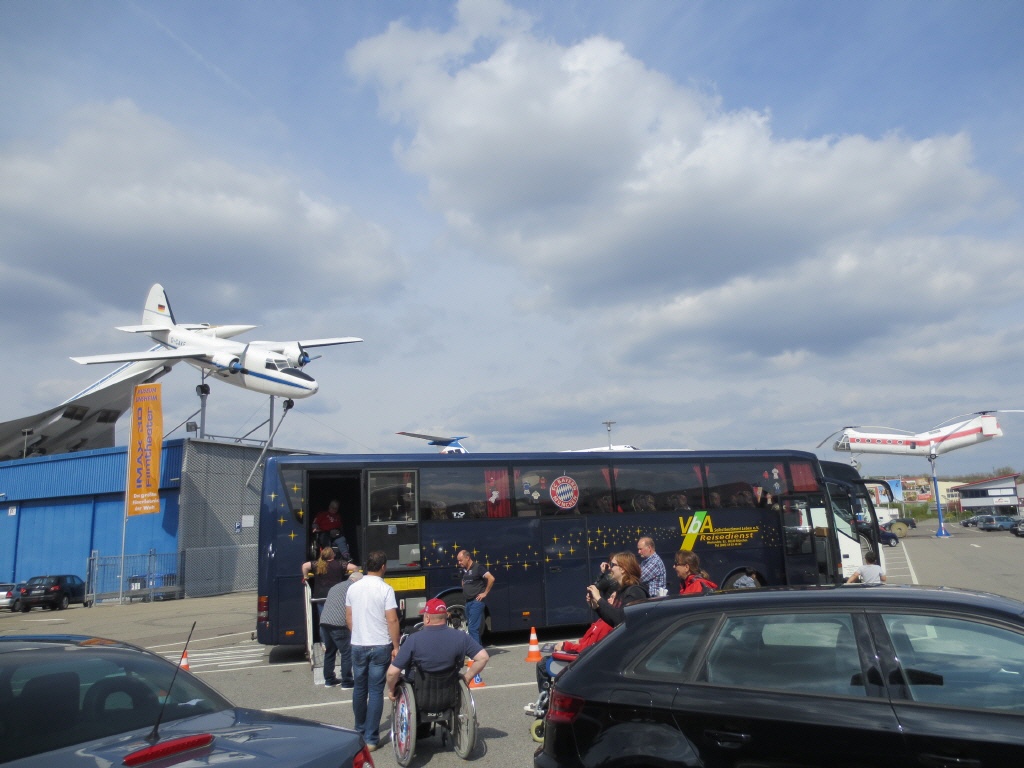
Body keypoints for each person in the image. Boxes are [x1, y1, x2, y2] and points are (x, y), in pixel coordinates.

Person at [346, 550, 401, 751]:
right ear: (383, 566)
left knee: (359, 688)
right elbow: (392, 619)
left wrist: (358, 633)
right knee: (376, 690)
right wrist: (396, 646)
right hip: (380, 643)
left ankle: (359, 731)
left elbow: (349, 617)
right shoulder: (386, 589)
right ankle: (371, 738)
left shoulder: (353, 588)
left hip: (358, 643)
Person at [385, 598, 489, 702]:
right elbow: (483, 658)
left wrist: (391, 689)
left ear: (427, 618)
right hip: (449, 693)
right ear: (446, 616)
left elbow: (392, 673)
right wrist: (467, 677)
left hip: (420, 695)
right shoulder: (461, 637)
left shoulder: (413, 639)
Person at [320, 571, 361, 688]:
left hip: (324, 622)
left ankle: (329, 679)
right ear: (357, 581)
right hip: (339, 624)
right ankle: (347, 681)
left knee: (330, 651)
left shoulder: (335, 586)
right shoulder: (354, 588)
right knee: (347, 652)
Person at [587, 552, 648, 627]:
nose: (610, 568)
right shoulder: (621, 590)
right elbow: (613, 620)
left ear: (622, 569)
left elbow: (620, 619)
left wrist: (599, 599)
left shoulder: (635, 592)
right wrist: (596, 606)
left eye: (612, 565)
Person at [302, 546, 355, 630]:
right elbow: (354, 568)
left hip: (320, 595)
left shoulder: (317, 564)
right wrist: (351, 580)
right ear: (333, 555)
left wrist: (306, 577)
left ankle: (324, 640)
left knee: (323, 620)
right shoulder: (340, 563)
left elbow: (305, 566)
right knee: (337, 619)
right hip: (336, 596)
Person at [456, 550, 494, 644]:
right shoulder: (465, 570)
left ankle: (476, 652)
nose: (459, 563)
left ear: (467, 558)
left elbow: (491, 578)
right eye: (458, 561)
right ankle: (479, 650)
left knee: (473, 628)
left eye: (460, 560)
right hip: (468, 602)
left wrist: (485, 593)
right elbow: (463, 582)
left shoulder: (478, 568)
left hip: (476, 602)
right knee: (471, 627)